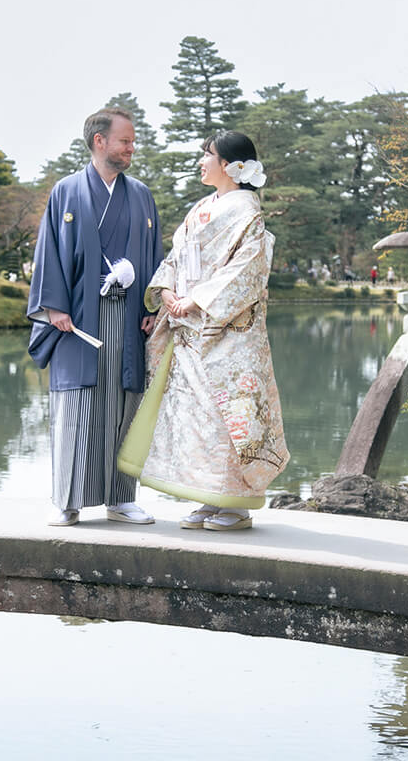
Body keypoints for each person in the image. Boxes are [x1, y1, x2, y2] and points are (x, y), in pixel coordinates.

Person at [117, 130, 289, 530]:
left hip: (228, 331)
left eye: (207, 155)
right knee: (195, 417)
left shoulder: (248, 211)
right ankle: (208, 497)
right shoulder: (201, 207)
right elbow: (178, 256)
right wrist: (169, 292)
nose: (201, 161)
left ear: (231, 166)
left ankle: (238, 502)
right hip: (189, 328)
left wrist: (196, 299)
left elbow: (247, 269)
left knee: (227, 414)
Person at [26, 107, 164, 527]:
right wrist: (53, 307)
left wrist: (151, 308)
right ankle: (66, 500)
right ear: (99, 141)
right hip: (77, 321)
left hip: (127, 318)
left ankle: (121, 498)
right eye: (125, 140)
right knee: (78, 407)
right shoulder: (67, 192)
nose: (131, 148)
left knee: (124, 405)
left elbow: (155, 257)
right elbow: (49, 251)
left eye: (132, 141)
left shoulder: (140, 195)